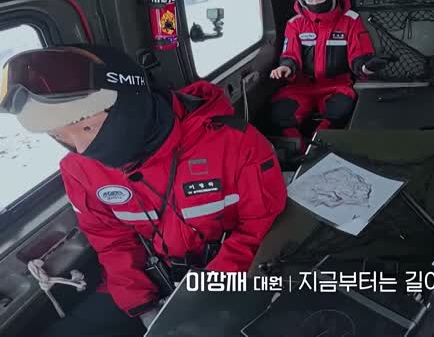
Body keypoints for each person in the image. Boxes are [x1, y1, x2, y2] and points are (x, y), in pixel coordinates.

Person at [0, 45, 288, 337]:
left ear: (129, 107)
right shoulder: (78, 169)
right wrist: (142, 306)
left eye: (87, 128)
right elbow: (111, 242)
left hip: (233, 274)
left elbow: (260, 228)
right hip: (148, 279)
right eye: (59, 137)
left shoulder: (236, 143)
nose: (82, 149)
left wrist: (208, 296)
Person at [269, 0, 393, 148]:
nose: (314, 3)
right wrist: (286, 67)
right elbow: (290, 54)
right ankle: (296, 149)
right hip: (300, 87)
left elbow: (358, 55)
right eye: (309, 0)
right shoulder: (295, 23)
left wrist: (367, 67)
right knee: (279, 113)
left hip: (336, 86)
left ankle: (318, 146)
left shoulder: (350, 20)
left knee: (341, 111)